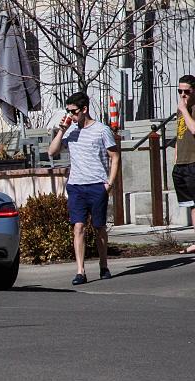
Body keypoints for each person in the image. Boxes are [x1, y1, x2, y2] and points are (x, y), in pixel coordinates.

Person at [48, 92, 120, 285]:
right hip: (76, 186)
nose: (70, 115)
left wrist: (109, 184)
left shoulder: (102, 130)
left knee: (99, 228)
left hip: (97, 185)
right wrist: (62, 130)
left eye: (73, 111)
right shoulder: (70, 131)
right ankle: (80, 271)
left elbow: (115, 157)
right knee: (78, 227)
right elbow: (52, 152)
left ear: (84, 109)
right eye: (68, 111)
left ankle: (104, 265)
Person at [173, 74, 195, 254]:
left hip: (194, 161)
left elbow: (194, 129)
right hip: (182, 162)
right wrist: (176, 157)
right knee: (191, 205)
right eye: (180, 91)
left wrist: (185, 109)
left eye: (186, 91)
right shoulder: (181, 109)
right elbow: (179, 136)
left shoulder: (189, 108)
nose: (182, 95)